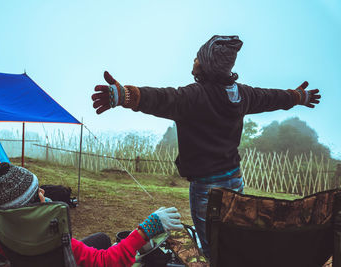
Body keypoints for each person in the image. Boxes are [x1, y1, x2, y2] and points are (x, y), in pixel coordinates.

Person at [91, 35, 321, 258]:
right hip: (235, 180)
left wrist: (124, 95)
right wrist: (299, 96)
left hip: (207, 189)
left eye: (197, 57)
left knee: (212, 247)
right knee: (229, 234)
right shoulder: (242, 95)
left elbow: (162, 98)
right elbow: (272, 97)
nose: (193, 61)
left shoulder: (195, 96)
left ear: (207, 64)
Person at [0, 161, 183, 267]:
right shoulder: (54, 240)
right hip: (59, 259)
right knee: (108, 250)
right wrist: (145, 230)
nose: (43, 192)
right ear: (29, 205)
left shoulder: (3, 226)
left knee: (102, 239)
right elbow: (107, 262)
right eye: (38, 193)